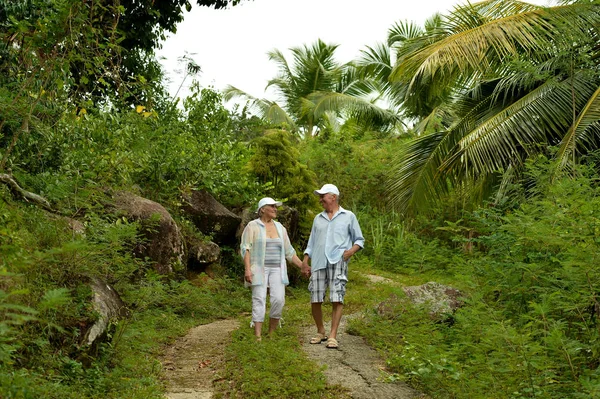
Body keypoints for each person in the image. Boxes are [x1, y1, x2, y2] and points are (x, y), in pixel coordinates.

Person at [302, 184, 364, 349]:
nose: (320, 199)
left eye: (323, 196)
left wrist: (351, 251)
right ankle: (321, 331)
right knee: (315, 298)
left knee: (337, 298)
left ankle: (333, 335)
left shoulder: (348, 216)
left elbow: (359, 239)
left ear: (333, 197)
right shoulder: (318, 218)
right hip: (318, 262)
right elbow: (311, 242)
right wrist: (305, 261)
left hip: (338, 261)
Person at [240, 197, 308, 341]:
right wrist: (247, 269)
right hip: (259, 268)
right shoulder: (252, 226)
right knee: (259, 298)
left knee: (278, 299)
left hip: (277, 268)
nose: (275, 209)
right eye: (272, 206)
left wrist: (303, 266)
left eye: (275, 207)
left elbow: (289, 252)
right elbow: (246, 248)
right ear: (263, 209)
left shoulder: (280, 228)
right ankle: (258, 335)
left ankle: (271, 332)